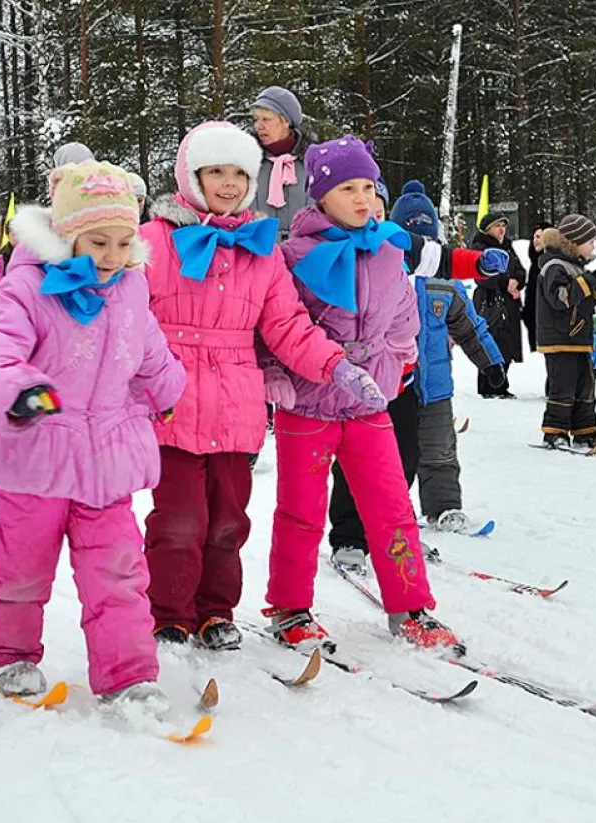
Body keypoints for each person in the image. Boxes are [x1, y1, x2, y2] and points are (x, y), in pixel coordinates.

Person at [0, 161, 186, 713]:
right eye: (98, 241)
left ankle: (127, 673)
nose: (112, 256)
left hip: (105, 456)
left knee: (118, 570)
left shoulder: (130, 287)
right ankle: (6, 653)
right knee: (21, 565)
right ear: (66, 234)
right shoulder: (29, 287)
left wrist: (168, 387)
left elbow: (148, 349)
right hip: (37, 453)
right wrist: (19, 388)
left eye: (124, 242)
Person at [139, 121, 353, 651]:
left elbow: (286, 325)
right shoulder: (152, 242)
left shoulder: (262, 250)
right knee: (179, 519)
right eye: (216, 172)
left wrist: (335, 365)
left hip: (238, 406)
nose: (230, 183)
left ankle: (216, 611)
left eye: (239, 172)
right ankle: (168, 611)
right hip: (173, 404)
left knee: (229, 520)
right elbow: (125, 316)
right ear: (192, 177)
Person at [262, 141, 461, 652]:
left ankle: (411, 605)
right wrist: (276, 374)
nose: (362, 199)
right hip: (309, 402)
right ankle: (290, 608)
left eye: (368, 188)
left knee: (392, 504)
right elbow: (275, 324)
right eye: (347, 189)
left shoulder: (389, 248)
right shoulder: (292, 256)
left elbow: (403, 317)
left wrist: (395, 363)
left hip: (370, 403)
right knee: (301, 511)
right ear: (320, 196)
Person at [327, 180, 508, 571]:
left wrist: (492, 363)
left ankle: (415, 518)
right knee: (359, 460)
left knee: (420, 456)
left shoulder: (435, 278)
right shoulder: (357, 263)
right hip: (366, 385)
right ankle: (350, 536)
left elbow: (470, 326)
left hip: (422, 386)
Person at [389, 181, 505, 534]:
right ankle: (392, 508)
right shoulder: (387, 274)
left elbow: (470, 328)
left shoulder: (445, 282)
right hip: (393, 385)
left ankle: (444, 506)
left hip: (436, 386)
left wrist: (491, 363)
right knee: (395, 453)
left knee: (440, 450)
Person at [536, 215, 596, 449]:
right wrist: (586, 282)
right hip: (560, 338)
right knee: (563, 386)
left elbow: (583, 304)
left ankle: (585, 430)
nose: (593, 245)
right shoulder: (554, 266)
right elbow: (561, 299)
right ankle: (555, 430)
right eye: (590, 241)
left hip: (579, 337)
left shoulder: (575, 267)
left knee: (585, 386)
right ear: (575, 242)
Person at [471, 212, 525, 397]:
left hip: (508, 303)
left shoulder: (508, 247)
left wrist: (517, 281)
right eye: (497, 226)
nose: (502, 229)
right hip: (489, 303)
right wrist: (504, 283)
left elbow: (519, 269)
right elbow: (480, 275)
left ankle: (501, 384)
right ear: (488, 229)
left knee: (507, 344)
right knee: (491, 343)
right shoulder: (480, 247)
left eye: (503, 225)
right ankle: (488, 386)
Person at [250, 86, 312, 241]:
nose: (259, 126)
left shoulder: (312, 161)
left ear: (285, 121)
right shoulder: (248, 161)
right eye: (256, 119)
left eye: (266, 119)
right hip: (258, 249)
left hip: (305, 251)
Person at [522, 221, 551, 353]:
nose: (535, 241)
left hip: (548, 328)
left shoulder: (550, 263)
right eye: (533, 237)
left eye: (538, 237)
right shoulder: (535, 262)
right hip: (534, 325)